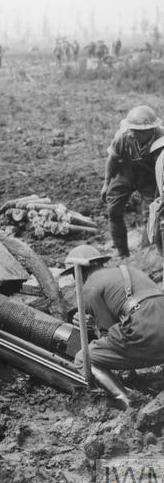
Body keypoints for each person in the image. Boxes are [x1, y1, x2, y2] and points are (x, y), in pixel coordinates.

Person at [63, 245, 164, 378]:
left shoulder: (89, 288)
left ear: (78, 272)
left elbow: (109, 333)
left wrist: (93, 327)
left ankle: (125, 397)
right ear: (100, 263)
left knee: (83, 359)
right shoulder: (128, 270)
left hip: (149, 335)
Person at [100, 105, 164, 258]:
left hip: (150, 176)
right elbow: (112, 159)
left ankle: (147, 250)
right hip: (125, 172)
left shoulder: (161, 138)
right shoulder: (123, 136)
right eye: (131, 129)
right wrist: (106, 183)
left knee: (155, 211)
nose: (132, 133)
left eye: (136, 131)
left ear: (149, 131)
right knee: (113, 210)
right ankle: (122, 253)